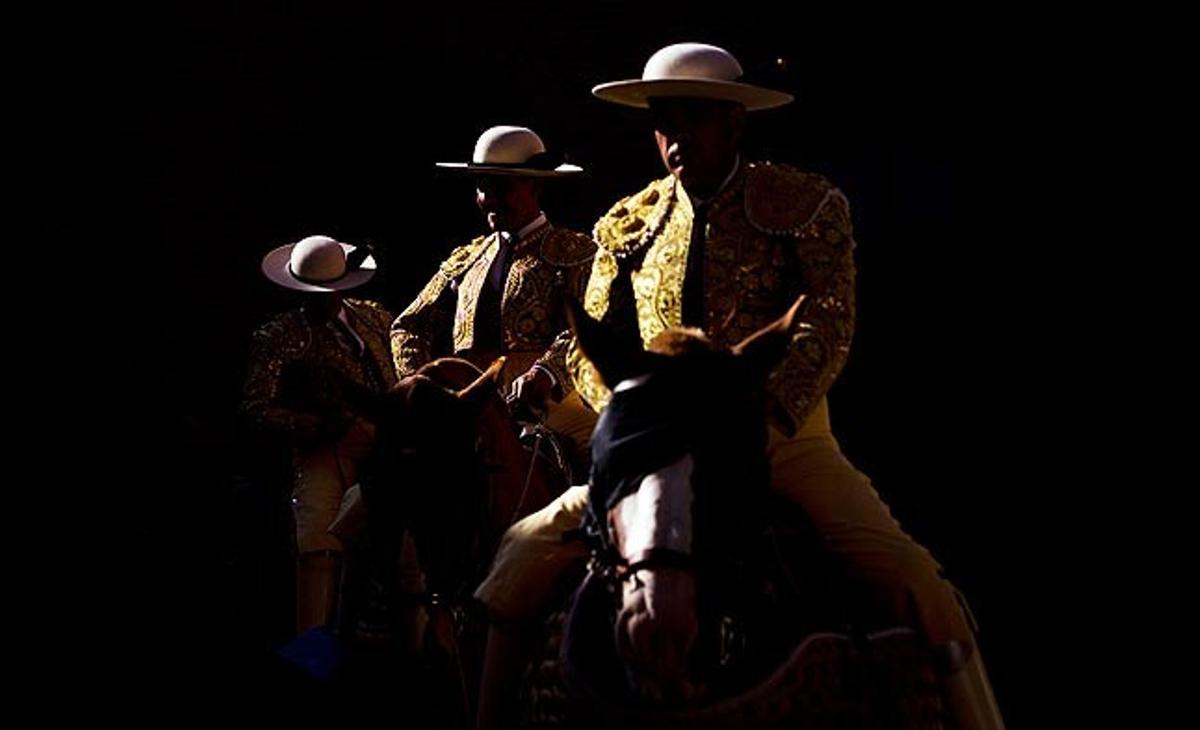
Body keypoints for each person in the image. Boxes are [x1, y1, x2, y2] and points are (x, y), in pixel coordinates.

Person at [474, 43, 1004, 729]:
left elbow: (827, 322)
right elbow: (587, 339)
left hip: (780, 435)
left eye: (694, 118)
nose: (677, 137)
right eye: (664, 122)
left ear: (733, 122)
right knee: (519, 554)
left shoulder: (806, 203)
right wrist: (638, 423)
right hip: (657, 446)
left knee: (914, 581)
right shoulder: (627, 222)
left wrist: (757, 410)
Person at [391, 126, 598, 467]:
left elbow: (588, 325)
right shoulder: (466, 259)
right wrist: (420, 385)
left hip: (545, 401)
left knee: (605, 443)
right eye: (482, 186)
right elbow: (408, 326)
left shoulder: (575, 252)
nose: (488, 198)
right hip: (463, 402)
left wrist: (545, 373)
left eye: (501, 187)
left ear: (535, 186)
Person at [241, 234, 400, 633]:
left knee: (409, 543)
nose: (320, 301)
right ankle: (314, 651)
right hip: (325, 450)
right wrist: (306, 423)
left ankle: (412, 644)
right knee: (318, 542)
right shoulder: (279, 336)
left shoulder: (376, 319)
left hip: (389, 446)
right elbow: (256, 407)